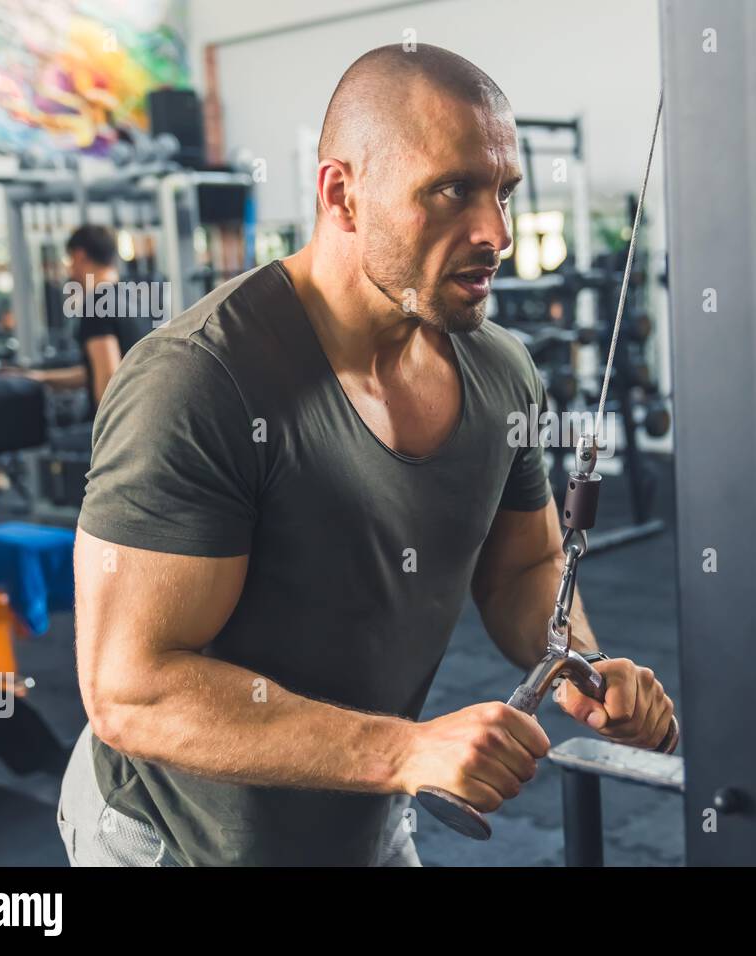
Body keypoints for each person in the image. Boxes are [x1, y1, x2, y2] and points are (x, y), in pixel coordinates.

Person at [56, 44, 677, 867]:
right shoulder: (200, 382)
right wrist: (405, 752)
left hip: (367, 816)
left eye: (502, 193)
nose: (496, 231)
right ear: (341, 194)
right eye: (452, 190)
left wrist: (579, 662)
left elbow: (524, 569)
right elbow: (130, 692)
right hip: (178, 842)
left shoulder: (500, 370)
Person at [21, 225, 148, 416]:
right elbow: (96, 369)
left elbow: (107, 376)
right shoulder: (132, 296)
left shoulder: (97, 303)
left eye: (69, 260)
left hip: (122, 427)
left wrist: (106, 437)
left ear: (80, 256)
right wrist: (43, 378)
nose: (69, 268)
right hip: (143, 412)